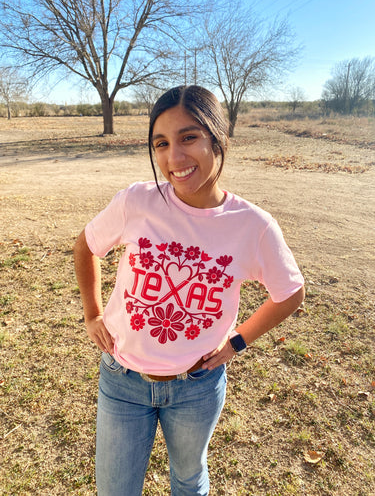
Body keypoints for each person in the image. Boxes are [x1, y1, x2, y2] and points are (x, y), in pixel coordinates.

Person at [73, 85, 305, 495]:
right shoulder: (137, 202)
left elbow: (290, 293)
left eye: (189, 138)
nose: (174, 158)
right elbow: (86, 245)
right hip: (122, 379)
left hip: (195, 387)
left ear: (218, 138)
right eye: (161, 143)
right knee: (114, 489)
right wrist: (92, 314)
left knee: (188, 479)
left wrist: (237, 343)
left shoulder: (253, 226)